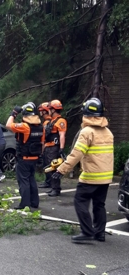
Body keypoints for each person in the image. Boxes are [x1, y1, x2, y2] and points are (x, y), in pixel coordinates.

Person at [53, 98, 113, 243]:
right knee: (99, 204)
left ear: (87, 114)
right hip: (105, 177)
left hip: (91, 176)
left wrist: (61, 170)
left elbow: (76, 154)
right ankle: (100, 233)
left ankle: (87, 232)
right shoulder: (108, 132)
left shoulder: (87, 132)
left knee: (80, 200)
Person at [6, 102, 44, 210]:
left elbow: (8, 125)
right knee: (31, 180)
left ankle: (24, 204)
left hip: (24, 158)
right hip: (35, 158)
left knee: (23, 181)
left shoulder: (25, 126)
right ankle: (34, 202)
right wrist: (41, 156)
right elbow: (42, 143)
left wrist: (13, 113)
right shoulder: (41, 127)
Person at [41, 100, 67, 197]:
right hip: (49, 147)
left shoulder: (61, 121)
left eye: (50, 109)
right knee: (50, 168)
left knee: (54, 168)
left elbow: (62, 135)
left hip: (54, 148)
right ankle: (53, 187)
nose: (48, 110)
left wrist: (61, 148)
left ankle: (56, 189)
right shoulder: (52, 121)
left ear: (53, 109)